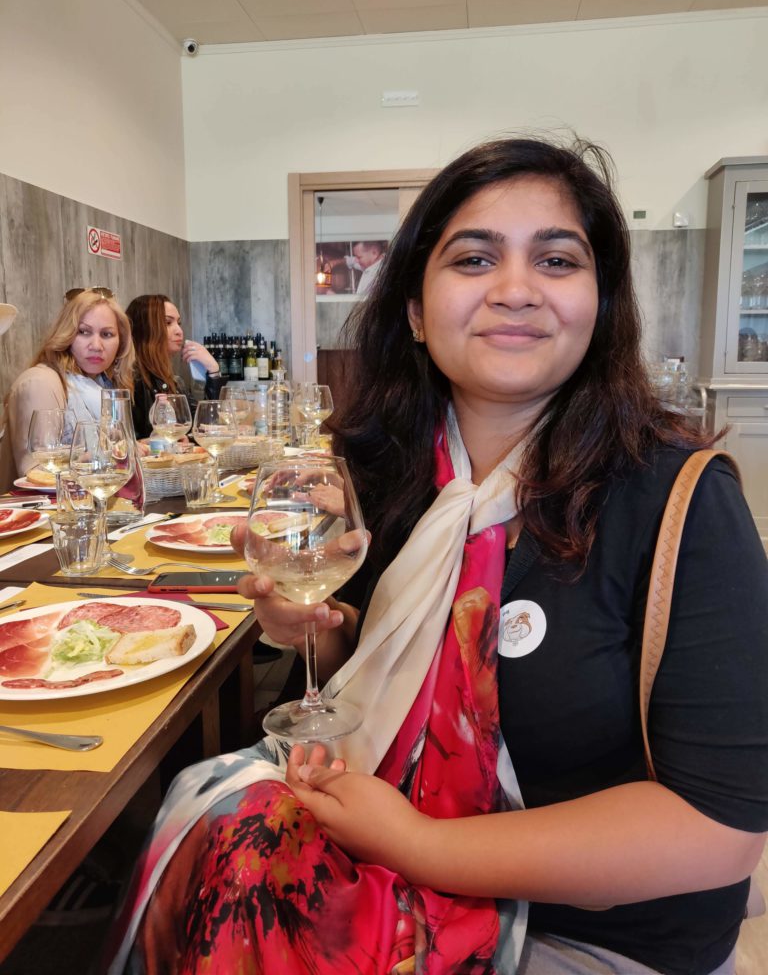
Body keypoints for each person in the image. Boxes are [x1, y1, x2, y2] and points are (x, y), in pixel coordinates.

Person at [105, 138, 768, 975]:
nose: (516, 289)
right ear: (416, 310)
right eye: (474, 257)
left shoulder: (680, 501)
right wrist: (322, 628)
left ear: (599, 302)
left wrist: (420, 845)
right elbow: (400, 654)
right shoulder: (402, 470)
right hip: (377, 860)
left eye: (557, 259)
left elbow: (719, 833)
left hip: (585, 936)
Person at [0, 288, 134, 489]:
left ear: (121, 343)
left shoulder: (103, 384)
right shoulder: (40, 382)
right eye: (83, 332)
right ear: (66, 335)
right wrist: (109, 457)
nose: (96, 345)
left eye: (107, 334)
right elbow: (38, 475)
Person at [126, 295, 223, 439]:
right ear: (144, 328)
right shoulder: (130, 381)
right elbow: (136, 442)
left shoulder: (174, 382)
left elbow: (206, 426)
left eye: (178, 323)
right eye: (167, 323)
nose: (179, 331)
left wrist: (213, 370)